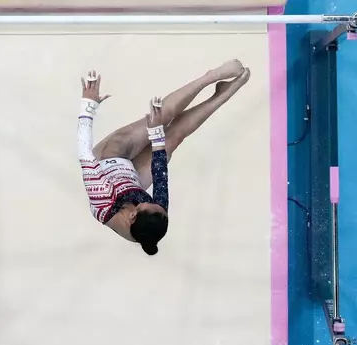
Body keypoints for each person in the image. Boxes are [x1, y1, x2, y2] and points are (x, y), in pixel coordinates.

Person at [77, 60, 251, 255]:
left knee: (162, 116)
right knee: (173, 135)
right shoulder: (156, 218)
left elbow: (84, 154)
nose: (156, 202)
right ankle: (222, 92)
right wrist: (156, 133)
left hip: (107, 163)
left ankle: (209, 77)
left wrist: (88, 105)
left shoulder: (102, 196)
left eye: (149, 203)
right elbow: (160, 174)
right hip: (132, 181)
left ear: (132, 215)